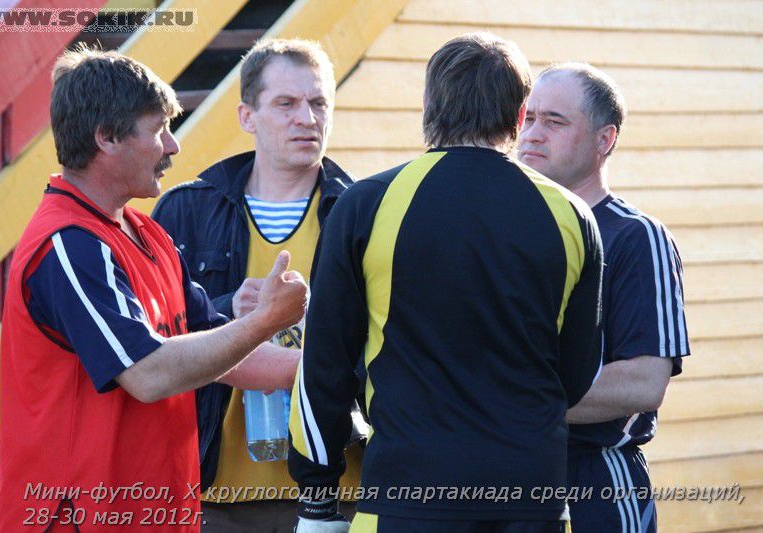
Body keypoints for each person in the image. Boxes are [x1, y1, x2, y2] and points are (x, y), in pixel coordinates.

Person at [287, 32, 604, 533]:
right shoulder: (573, 215)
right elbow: (577, 374)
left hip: (406, 497)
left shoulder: (367, 204)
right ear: (520, 114)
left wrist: (318, 501)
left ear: (428, 105)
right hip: (531, 499)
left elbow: (323, 367)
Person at [0, 46, 307, 532]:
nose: (172, 146)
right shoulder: (68, 244)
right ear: (106, 137)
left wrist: (330, 369)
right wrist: (266, 320)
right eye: (159, 129)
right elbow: (148, 374)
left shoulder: (146, 233)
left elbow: (222, 350)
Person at [152, 38, 361, 532]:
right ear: (247, 116)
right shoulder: (185, 209)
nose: (306, 119)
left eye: (318, 103)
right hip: (215, 491)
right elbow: (149, 341)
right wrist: (227, 309)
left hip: (338, 488)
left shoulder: (363, 211)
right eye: (286, 104)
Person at [518, 62, 690, 533]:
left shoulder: (637, 237)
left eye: (555, 121)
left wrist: (512, 400)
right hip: (506, 475)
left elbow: (644, 383)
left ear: (605, 139)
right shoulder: (506, 233)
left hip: (595, 480)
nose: (532, 133)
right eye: (528, 118)